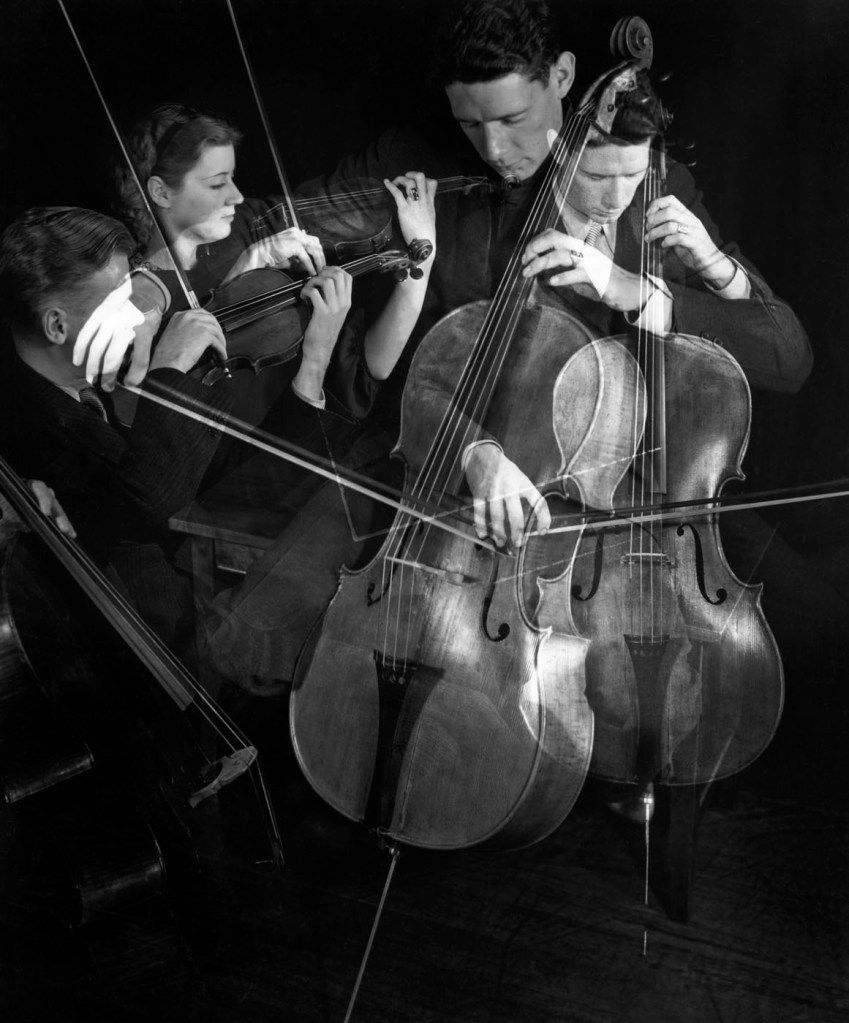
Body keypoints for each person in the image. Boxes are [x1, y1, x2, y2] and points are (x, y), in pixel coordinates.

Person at [0, 205, 231, 656]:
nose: (139, 318)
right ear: (56, 325)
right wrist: (168, 371)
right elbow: (151, 499)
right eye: (118, 303)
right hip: (159, 661)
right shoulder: (27, 433)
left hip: (202, 619)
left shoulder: (86, 377)